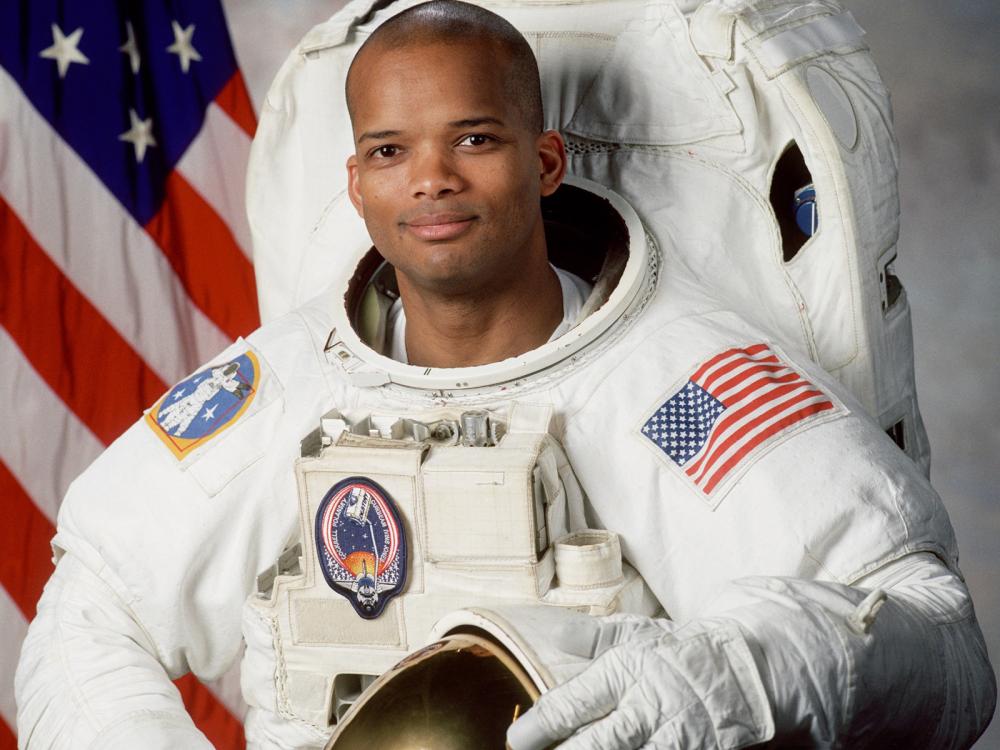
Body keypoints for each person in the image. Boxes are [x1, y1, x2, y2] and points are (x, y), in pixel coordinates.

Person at [15, 2, 995, 749]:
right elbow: (94, 598)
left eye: (473, 140)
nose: (431, 179)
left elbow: (939, 638)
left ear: (545, 160)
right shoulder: (284, 385)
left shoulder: (680, 389)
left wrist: (734, 677)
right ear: (355, 185)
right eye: (392, 152)